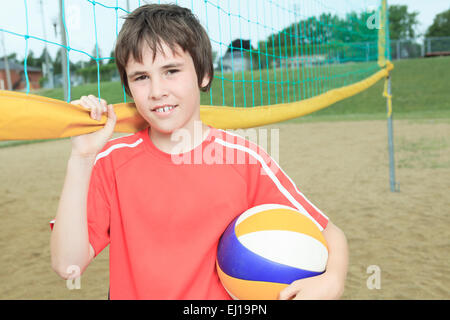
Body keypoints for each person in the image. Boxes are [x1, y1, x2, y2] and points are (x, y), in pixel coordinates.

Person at [50, 3, 348, 300]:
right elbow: (68, 265)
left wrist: (333, 280)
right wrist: (81, 159)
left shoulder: (244, 161)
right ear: (128, 86)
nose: (156, 90)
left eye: (171, 71)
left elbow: (330, 234)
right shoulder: (110, 161)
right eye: (141, 77)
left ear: (203, 74)